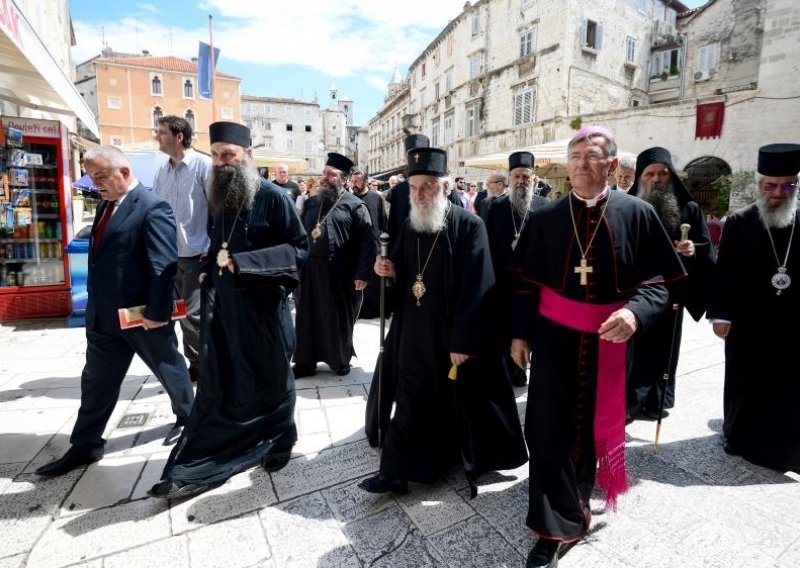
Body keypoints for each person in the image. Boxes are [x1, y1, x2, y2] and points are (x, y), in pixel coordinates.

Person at [510, 126, 685, 567]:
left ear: (612, 165)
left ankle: (575, 508)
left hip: (610, 340)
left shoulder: (637, 213)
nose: (581, 164)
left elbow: (657, 283)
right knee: (546, 428)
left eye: (591, 157)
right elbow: (526, 283)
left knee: (588, 431)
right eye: (574, 156)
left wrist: (635, 313)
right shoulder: (546, 216)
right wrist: (519, 333)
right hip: (553, 340)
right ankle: (555, 526)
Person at [147, 122, 308, 499]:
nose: (220, 163)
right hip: (226, 306)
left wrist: (245, 263)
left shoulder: (273, 197)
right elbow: (216, 244)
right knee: (230, 380)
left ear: (247, 156)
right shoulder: (220, 195)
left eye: (228, 155)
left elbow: (299, 251)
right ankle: (228, 443)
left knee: (272, 378)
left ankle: (280, 439)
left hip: (264, 310)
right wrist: (207, 270)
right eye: (216, 155)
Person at [361, 146, 527, 496]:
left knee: (450, 401)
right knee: (409, 397)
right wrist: (386, 273)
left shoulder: (469, 225)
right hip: (412, 331)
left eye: (427, 187)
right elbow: (404, 278)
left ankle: (440, 459)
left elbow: (480, 287)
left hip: (452, 336)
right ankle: (394, 470)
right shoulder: (408, 226)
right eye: (414, 187)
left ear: (444, 187)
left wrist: (464, 342)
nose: (420, 194)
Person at [35, 146, 194, 477]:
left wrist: (156, 311)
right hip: (104, 318)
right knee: (96, 381)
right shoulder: (105, 207)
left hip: (143, 317)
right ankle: (85, 445)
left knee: (170, 369)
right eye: (91, 177)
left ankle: (190, 420)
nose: (95, 184)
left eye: (101, 176)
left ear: (124, 172)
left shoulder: (153, 207)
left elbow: (164, 263)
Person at [708, 143, 800, 474]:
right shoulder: (738, 223)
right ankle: (737, 437)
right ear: (759, 185)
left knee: (789, 386)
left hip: (793, 325)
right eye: (769, 186)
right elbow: (724, 273)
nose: (777, 193)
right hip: (747, 324)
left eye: (786, 185)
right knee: (745, 383)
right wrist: (720, 314)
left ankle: (787, 449)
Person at [626, 147, 715, 420]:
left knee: (664, 352)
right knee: (632, 351)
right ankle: (629, 402)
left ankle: (656, 401)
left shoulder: (688, 208)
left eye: (662, 173)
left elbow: (705, 245)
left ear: (671, 176)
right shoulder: (627, 206)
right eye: (650, 173)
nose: (656, 179)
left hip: (669, 293)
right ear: (640, 177)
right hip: (635, 294)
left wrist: (692, 248)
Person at [293, 153, 376, 377]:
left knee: (337, 318)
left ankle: (339, 360)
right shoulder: (312, 203)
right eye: (325, 173)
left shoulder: (355, 206)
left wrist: (363, 273)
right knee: (306, 317)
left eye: (331, 175)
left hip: (340, 274)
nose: (325, 178)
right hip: (309, 272)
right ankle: (305, 362)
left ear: (344, 180)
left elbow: (369, 242)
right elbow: (299, 235)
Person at [152, 115, 212, 381]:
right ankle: (196, 363)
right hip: (168, 255)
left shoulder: (204, 166)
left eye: (162, 132)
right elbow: (156, 210)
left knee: (192, 315)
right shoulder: (161, 171)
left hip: (197, 253)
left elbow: (218, 208)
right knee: (177, 313)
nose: (157, 136)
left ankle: (205, 365)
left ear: (179, 136)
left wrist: (211, 244)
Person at [484, 152, 548, 387]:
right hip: (504, 282)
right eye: (516, 176)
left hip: (534, 283)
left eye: (525, 176)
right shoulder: (496, 206)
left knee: (533, 329)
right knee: (505, 328)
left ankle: (530, 370)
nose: (521, 181)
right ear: (510, 179)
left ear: (534, 179)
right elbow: (488, 244)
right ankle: (510, 372)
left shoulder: (545, 207)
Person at [351, 170, 386, 320]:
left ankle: (374, 311)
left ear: (365, 181)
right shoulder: (350, 199)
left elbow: (383, 221)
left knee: (374, 281)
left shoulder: (376, 198)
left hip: (374, 245)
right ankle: (359, 310)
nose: (354, 184)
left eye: (357, 181)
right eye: (352, 181)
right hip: (356, 246)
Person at [386, 134, 430, 244]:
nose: (416, 158)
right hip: (404, 251)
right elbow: (393, 227)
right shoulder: (398, 191)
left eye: (419, 153)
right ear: (406, 159)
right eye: (411, 155)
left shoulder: (439, 188)